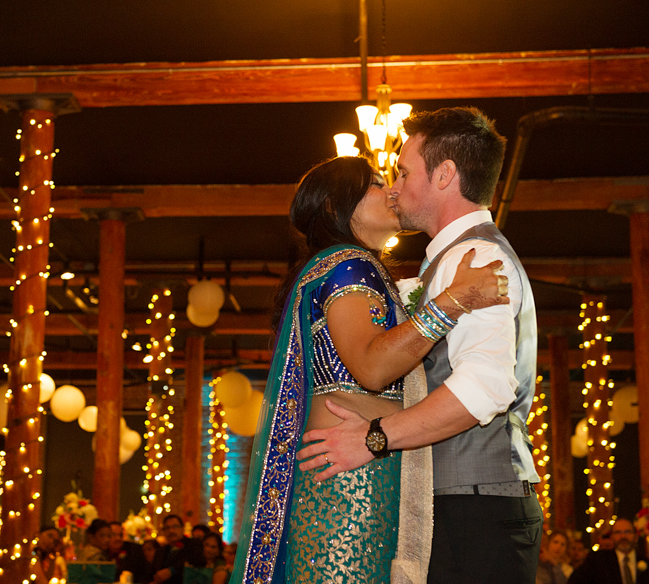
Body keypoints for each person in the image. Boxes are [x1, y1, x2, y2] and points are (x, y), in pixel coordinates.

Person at [230, 154, 509, 584]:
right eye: (378, 184)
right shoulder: (348, 265)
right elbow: (372, 367)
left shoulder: (341, 266)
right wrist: (455, 300)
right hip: (351, 478)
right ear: (335, 207)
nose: (393, 191)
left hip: (347, 467)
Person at [296, 106, 543, 584]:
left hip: (476, 505)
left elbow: (485, 387)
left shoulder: (476, 256)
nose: (394, 186)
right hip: (458, 502)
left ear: (445, 174)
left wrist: (375, 438)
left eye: (404, 171)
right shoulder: (445, 265)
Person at [569, 518, 649, 584]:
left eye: (627, 532)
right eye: (618, 532)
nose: (623, 536)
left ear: (635, 537)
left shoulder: (645, 562)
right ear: (612, 537)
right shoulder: (598, 561)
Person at [153, 514, 205, 584]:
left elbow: (197, 559)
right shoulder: (160, 551)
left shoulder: (192, 544)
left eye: (175, 526)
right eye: (167, 528)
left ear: (182, 528)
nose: (171, 531)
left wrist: (172, 570)